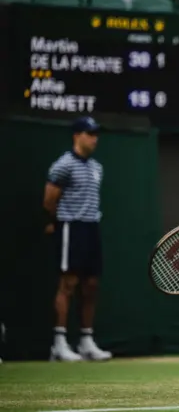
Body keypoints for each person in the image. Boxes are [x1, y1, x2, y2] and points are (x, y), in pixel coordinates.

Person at [43, 117, 112, 362]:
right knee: (68, 284)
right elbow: (49, 200)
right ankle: (59, 344)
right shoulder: (63, 165)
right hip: (70, 228)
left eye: (96, 134)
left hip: (91, 227)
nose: (94, 139)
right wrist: (55, 222)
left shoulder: (97, 167)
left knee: (91, 285)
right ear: (77, 135)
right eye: (89, 133)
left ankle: (85, 341)